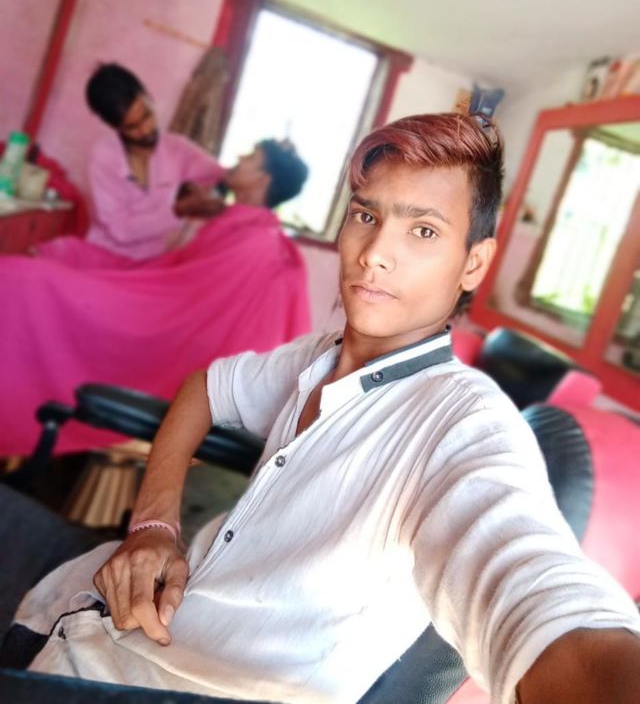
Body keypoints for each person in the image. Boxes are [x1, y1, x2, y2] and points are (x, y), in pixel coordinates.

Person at [8, 114, 640, 702]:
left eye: (423, 231)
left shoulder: (461, 422)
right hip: (85, 607)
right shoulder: (316, 356)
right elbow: (206, 386)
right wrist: (154, 525)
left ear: (473, 263)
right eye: (366, 215)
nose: (374, 253)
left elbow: (535, 589)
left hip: (161, 679)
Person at [84, 63, 228, 259]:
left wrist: (250, 167)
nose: (146, 129)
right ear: (115, 127)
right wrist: (176, 211)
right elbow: (120, 229)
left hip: (150, 262)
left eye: (147, 115)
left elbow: (222, 174)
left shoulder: (178, 149)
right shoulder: (104, 158)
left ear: (148, 96)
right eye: (132, 127)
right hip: (103, 256)